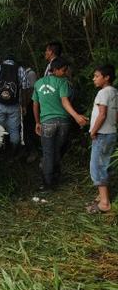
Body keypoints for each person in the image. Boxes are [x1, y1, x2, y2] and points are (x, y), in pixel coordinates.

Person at [32, 57, 88, 190]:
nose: (65, 72)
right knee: (56, 151)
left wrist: (37, 122)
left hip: (47, 123)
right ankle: (55, 178)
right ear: (55, 70)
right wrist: (75, 116)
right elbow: (65, 101)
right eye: (63, 70)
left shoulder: (38, 83)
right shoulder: (63, 83)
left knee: (48, 153)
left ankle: (47, 184)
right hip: (63, 123)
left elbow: (35, 105)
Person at [86, 65, 117, 213]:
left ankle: (104, 203)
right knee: (105, 163)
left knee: (97, 167)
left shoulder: (103, 93)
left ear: (106, 78)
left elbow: (102, 114)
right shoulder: (114, 92)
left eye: (97, 76)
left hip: (102, 134)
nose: (94, 78)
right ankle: (101, 195)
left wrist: (93, 131)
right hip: (111, 133)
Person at [0, 55, 30, 156]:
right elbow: (24, 89)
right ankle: (13, 153)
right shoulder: (21, 70)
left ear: (4, 60)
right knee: (14, 130)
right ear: (14, 61)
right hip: (14, 105)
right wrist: (23, 105)